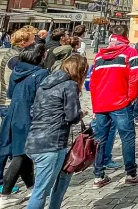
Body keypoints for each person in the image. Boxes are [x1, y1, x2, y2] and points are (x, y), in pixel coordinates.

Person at [90, 23, 138, 187]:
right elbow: (134, 77)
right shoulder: (130, 53)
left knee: (100, 139)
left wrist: (95, 104)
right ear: (126, 36)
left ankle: (98, 176)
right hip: (120, 102)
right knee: (127, 137)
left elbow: (93, 82)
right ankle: (131, 173)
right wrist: (131, 97)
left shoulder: (99, 56)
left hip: (101, 103)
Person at [24, 54, 88, 209]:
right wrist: (82, 113)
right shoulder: (69, 85)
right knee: (41, 191)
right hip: (52, 143)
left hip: (34, 139)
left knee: (63, 178)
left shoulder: (45, 83)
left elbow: (33, 110)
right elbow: (72, 115)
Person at [0, 43, 49, 209]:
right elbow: (44, 97)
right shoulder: (41, 73)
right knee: (20, 155)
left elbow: (10, 93)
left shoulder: (16, 71)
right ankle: (5, 195)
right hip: (28, 115)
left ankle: (31, 187)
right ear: (40, 56)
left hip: (13, 114)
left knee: (23, 153)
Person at [0, 26, 38, 194]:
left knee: (16, 145)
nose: (34, 43)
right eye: (32, 40)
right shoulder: (15, 58)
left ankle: (27, 180)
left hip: (13, 103)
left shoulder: (16, 54)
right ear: (23, 42)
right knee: (4, 145)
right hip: (10, 104)